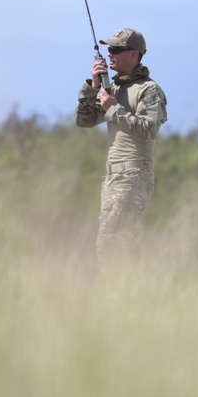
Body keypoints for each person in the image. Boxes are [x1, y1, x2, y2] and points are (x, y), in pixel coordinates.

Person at [75, 27, 168, 257]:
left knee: (111, 244)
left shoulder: (149, 90)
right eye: (109, 49)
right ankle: (131, 290)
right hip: (113, 176)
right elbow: (84, 121)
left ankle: (116, 291)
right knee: (123, 244)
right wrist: (93, 88)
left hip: (132, 175)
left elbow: (148, 130)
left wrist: (113, 108)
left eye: (116, 48)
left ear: (134, 54)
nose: (110, 54)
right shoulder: (113, 87)